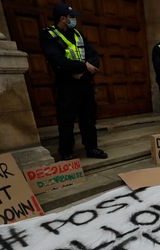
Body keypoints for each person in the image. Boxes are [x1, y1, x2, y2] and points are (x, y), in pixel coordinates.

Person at [40, 3, 107, 161]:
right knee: (66, 120)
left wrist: (83, 70)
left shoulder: (77, 33)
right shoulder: (48, 35)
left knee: (88, 118)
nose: (74, 20)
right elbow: (57, 60)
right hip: (66, 84)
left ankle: (91, 147)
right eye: (72, 17)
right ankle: (66, 151)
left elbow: (94, 56)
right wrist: (83, 65)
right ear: (63, 18)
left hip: (84, 82)